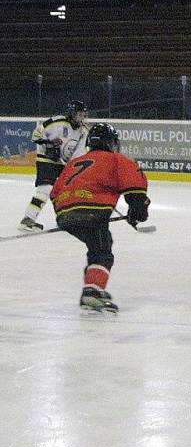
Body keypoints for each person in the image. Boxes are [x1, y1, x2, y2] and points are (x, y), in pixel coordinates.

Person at [50, 123, 150, 313]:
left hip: (64, 212)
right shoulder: (116, 160)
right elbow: (134, 186)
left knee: (97, 245)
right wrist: (138, 211)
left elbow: (55, 193)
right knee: (102, 251)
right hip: (92, 211)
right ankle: (92, 292)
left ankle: (93, 285)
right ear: (112, 143)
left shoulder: (74, 162)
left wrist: (68, 212)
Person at [18, 100, 90, 232]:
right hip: (46, 160)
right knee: (45, 190)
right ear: (72, 113)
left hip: (62, 164)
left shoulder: (83, 131)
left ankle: (64, 220)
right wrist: (48, 143)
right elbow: (36, 135)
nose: (81, 117)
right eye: (79, 114)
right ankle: (28, 219)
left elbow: (78, 154)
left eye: (83, 115)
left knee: (64, 193)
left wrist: (75, 167)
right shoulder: (57, 122)